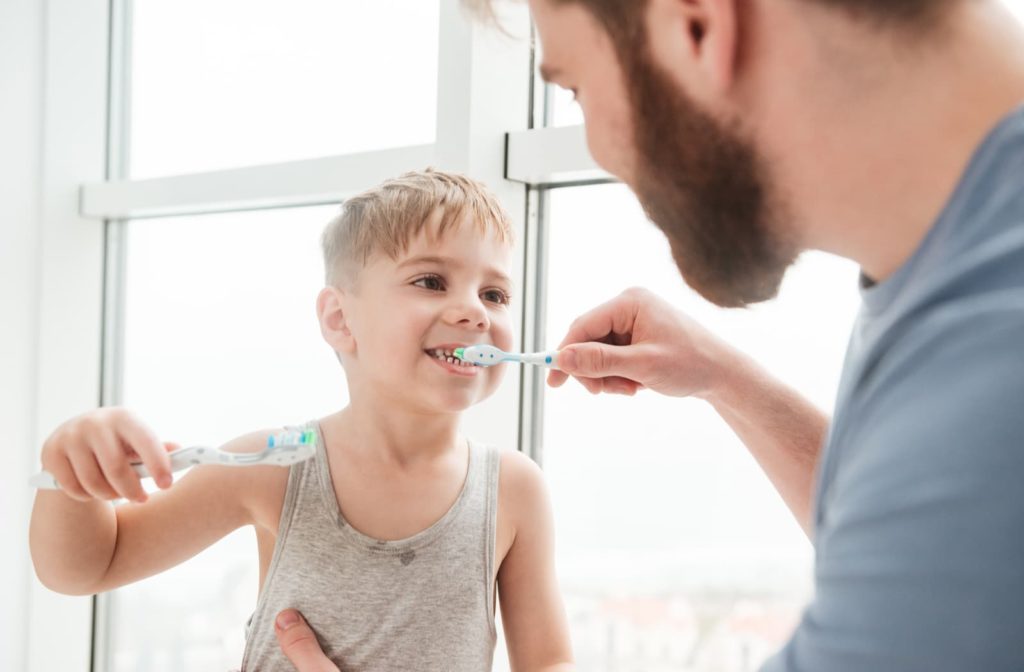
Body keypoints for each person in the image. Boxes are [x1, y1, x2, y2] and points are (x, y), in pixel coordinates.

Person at [273, 0, 1024, 669]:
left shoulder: (989, 362)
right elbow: (910, 538)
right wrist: (725, 377)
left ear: (695, 27)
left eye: (574, 88)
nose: (598, 146)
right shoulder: (951, 279)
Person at [28, 169, 575, 671]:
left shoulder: (514, 490)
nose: (475, 310)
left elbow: (549, 662)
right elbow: (89, 567)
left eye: (495, 294)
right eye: (431, 281)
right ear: (340, 319)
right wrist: (72, 474)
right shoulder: (275, 464)